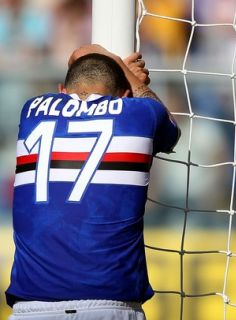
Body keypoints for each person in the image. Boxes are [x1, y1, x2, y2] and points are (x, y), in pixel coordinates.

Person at [5, 44, 181, 319]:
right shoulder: (139, 113)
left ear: (62, 90)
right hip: (110, 302)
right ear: (124, 95)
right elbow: (170, 130)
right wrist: (124, 70)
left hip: (32, 305)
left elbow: (78, 53)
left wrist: (105, 60)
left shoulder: (33, 109)